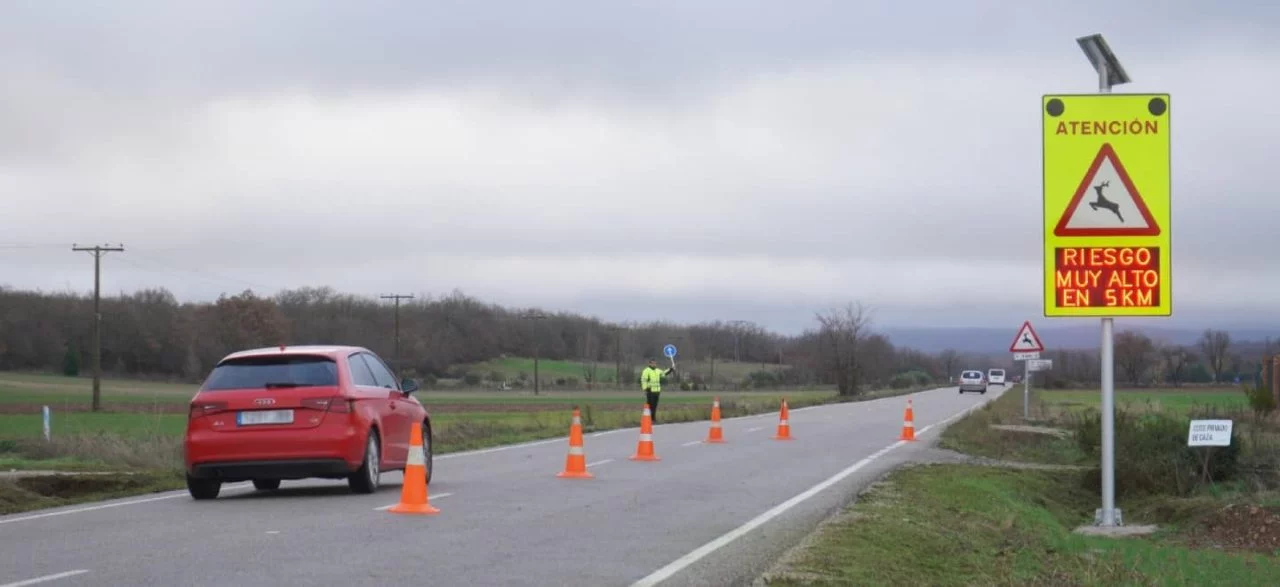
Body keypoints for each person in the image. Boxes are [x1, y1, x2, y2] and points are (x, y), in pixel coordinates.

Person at [640, 358, 675, 423]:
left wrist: (671, 369)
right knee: (650, 405)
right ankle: (648, 419)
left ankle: (653, 419)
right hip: (650, 391)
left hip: (657, 391)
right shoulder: (646, 371)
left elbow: (664, 373)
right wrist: (645, 389)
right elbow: (643, 380)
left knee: (655, 406)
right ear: (650, 363)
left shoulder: (657, 370)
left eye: (655, 363)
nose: (654, 364)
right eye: (653, 363)